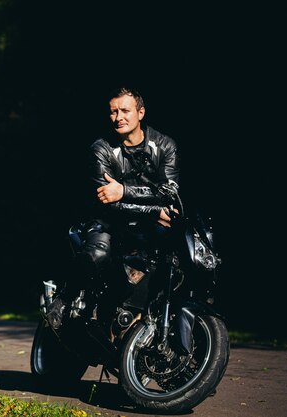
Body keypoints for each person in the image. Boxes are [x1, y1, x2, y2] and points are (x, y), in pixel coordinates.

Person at [46, 86, 180, 329]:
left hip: (149, 227)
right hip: (108, 221)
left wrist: (124, 191)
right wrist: (153, 208)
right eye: (113, 112)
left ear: (141, 112)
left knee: (177, 261)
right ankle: (66, 296)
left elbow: (170, 191)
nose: (118, 117)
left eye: (125, 111)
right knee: (96, 254)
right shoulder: (102, 149)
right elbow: (108, 203)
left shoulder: (165, 145)